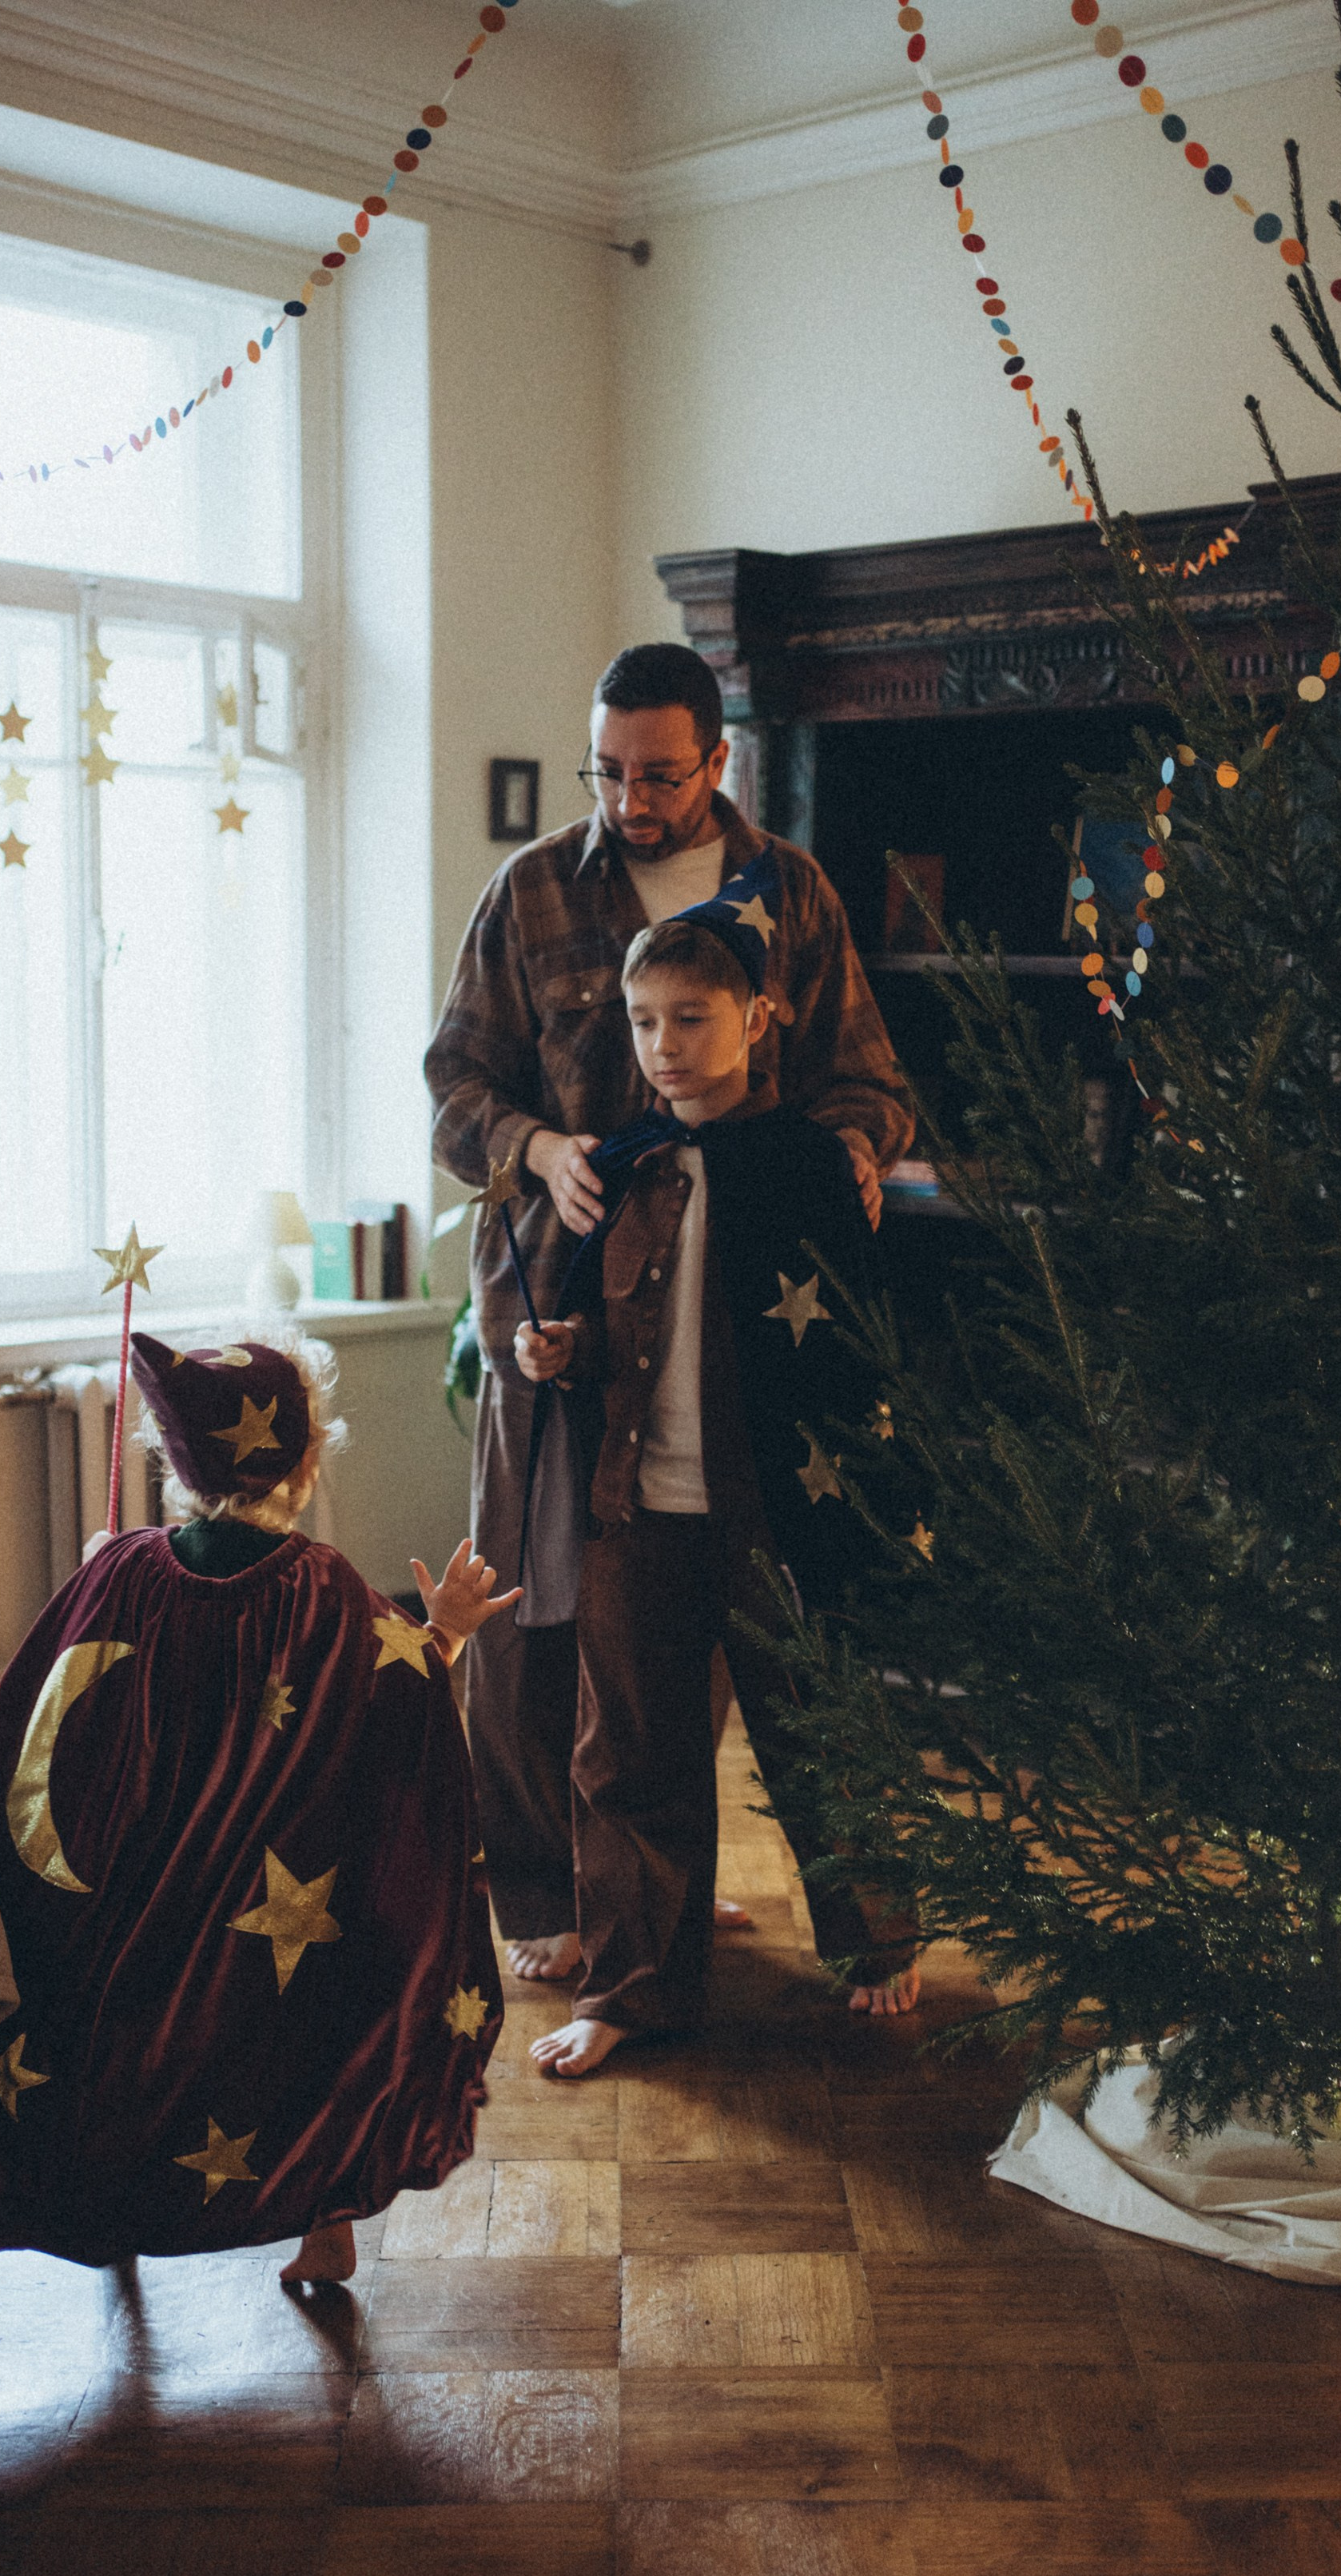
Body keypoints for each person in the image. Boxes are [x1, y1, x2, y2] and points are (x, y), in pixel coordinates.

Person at [425, 641, 913, 2005]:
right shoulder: (529, 893)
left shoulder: (795, 895)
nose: (627, 799)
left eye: (656, 774)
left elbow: (867, 1081)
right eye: (606, 771)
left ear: (717, 761)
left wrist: (853, 1158)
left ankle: (661, 1888)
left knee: (714, 1606)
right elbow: (451, 1087)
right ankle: (543, 1887)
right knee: (539, 1600)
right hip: (555, 1293)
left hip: (744, 1293)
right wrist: (533, 1147)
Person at [0, 1330, 518, 2283]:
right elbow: (386, 1705)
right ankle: (326, 2227)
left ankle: (108, 2212)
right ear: (307, 1462)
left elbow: (43, 1729)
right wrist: (442, 1629)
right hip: (275, 1917)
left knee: (120, 2045)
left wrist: (98, 1578)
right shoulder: (321, 1590)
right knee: (313, 2032)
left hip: (138, 1895)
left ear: (175, 1464)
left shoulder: (123, 1571)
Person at [511, 862, 921, 2076]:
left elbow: (854, 1346)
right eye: (644, 1023)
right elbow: (602, 1326)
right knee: (627, 1748)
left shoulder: (808, 1165)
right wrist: (560, 1348)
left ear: (759, 1017)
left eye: (691, 1018)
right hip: (636, 1507)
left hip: (778, 1510)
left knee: (817, 1731)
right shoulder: (624, 1165)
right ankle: (633, 1986)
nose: (665, 1045)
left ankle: (874, 1936)